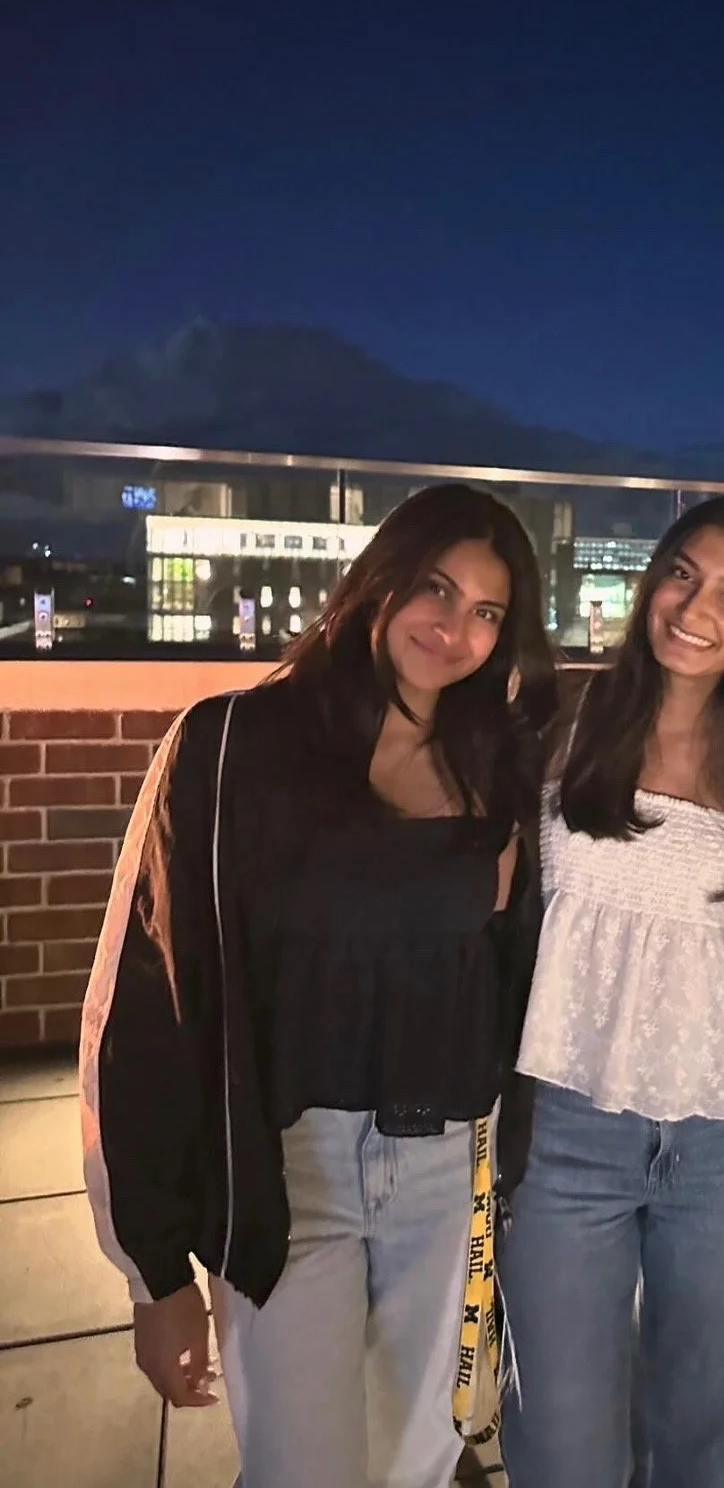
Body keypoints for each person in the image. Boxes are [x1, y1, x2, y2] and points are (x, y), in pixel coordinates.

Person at [80, 484, 558, 1488]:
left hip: (448, 1173)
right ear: (379, 583)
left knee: (416, 1465)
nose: (454, 628)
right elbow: (150, 1006)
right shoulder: (233, 745)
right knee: (304, 1470)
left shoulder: (500, 766)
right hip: (297, 1175)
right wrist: (154, 1270)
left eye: (488, 612)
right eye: (435, 589)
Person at [499, 496, 724, 1488]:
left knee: (699, 1425)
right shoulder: (558, 720)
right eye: (681, 572)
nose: (693, 607)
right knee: (560, 1433)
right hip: (567, 1122)